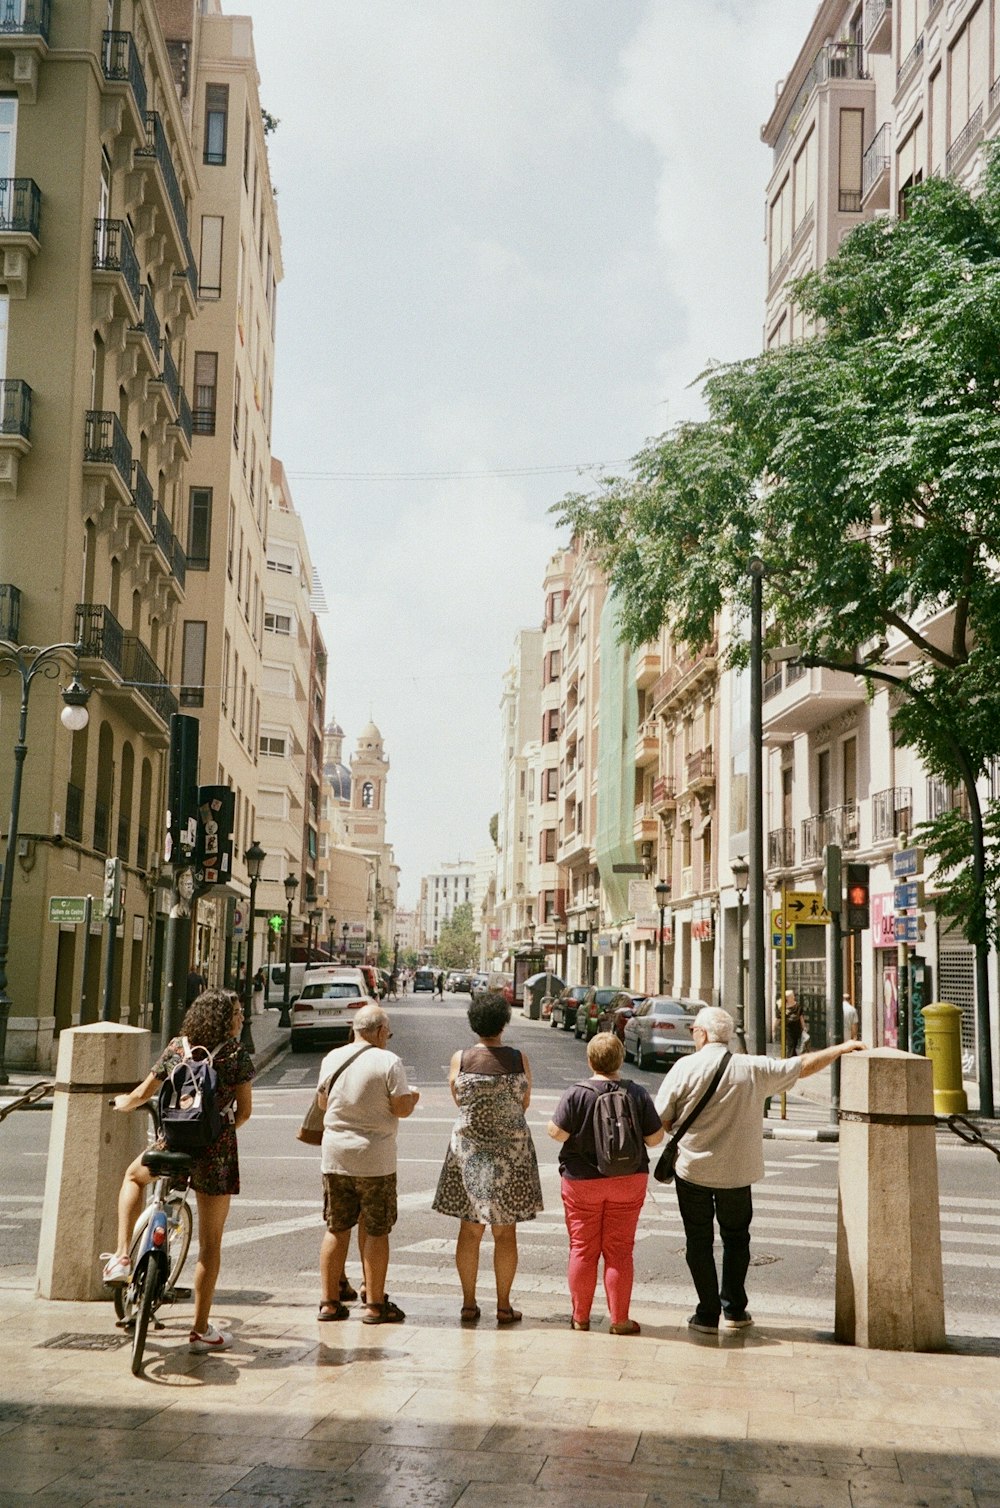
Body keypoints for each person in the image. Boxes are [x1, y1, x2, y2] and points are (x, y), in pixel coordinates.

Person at [656, 1005, 866, 1334]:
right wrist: (840, 1048)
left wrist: (674, 1127)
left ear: (703, 1034)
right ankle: (735, 1311)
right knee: (737, 1240)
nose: (693, 1035)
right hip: (738, 1173)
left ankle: (707, 1315)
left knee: (698, 1242)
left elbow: (661, 1118)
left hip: (693, 1171)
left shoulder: (685, 1068)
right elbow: (801, 1066)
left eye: (694, 1030)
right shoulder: (753, 1068)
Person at [102, 989, 254, 1353]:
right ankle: (200, 1329)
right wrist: (218, 1130)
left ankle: (122, 1255)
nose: (242, 1018)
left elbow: (142, 1093)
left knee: (133, 1177)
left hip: (171, 1146)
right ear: (224, 1018)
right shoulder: (235, 1054)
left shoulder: (176, 1048)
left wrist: (124, 1103)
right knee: (210, 1245)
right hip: (215, 1155)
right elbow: (245, 1112)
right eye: (237, 1012)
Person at [432, 990, 542, 1325]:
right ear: (504, 1023)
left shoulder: (461, 1059)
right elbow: (523, 1103)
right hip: (512, 1153)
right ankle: (504, 1306)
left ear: (474, 1023)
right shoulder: (517, 1058)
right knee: (505, 1233)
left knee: (469, 1230)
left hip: (469, 1153)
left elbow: (458, 1100)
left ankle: (468, 1303)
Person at [547, 1032, 664, 1334]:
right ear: (621, 1060)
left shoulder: (577, 1093)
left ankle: (581, 1317)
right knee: (620, 1250)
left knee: (583, 1249)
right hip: (628, 1180)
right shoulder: (637, 1093)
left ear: (589, 1060)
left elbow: (556, 1133)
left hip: (582, 1182)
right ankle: (619, 1320)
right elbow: (655, 1138)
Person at [316, 1003, 419, 1324]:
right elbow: (401, 1108)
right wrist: (413, 1097)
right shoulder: (389, 1061)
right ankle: (375, 1305)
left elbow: (322, 1102)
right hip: (375, 1161)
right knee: (376, 1230)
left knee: (336, 1227)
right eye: (387, 1032)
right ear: (377, 1032)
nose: (387, 1037)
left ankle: (329, 1303)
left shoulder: (332, 1057)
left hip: (335, 1158)